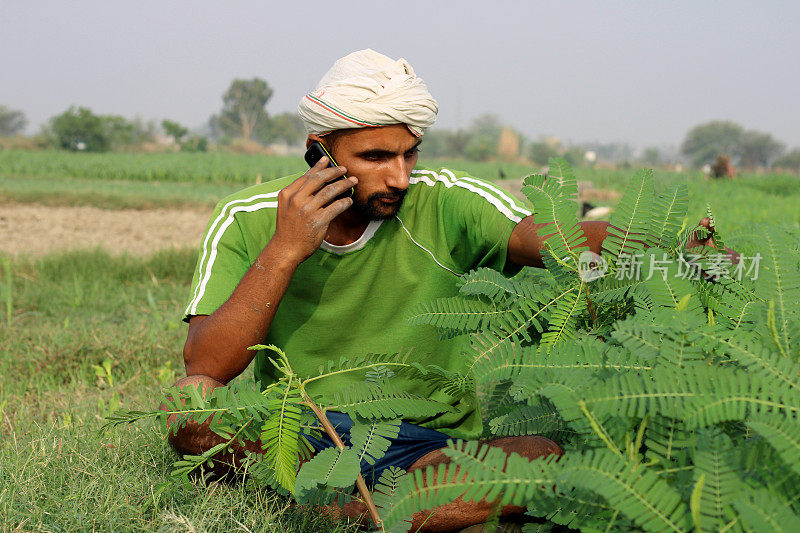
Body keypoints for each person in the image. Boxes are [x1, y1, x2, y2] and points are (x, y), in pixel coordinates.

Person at [166, 49, 717, 532]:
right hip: (302, 434)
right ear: (319, 151)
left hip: (427, 446)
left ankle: (338, 519)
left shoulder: (446, 200)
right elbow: (207, 364)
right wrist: (286, 249)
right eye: (376, 158)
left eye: (410, 154)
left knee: (537, 456)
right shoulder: (248, 218)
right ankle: (417, 515)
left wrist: (667, 245)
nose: (400, 177)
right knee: (186, 409)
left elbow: (551, 237)